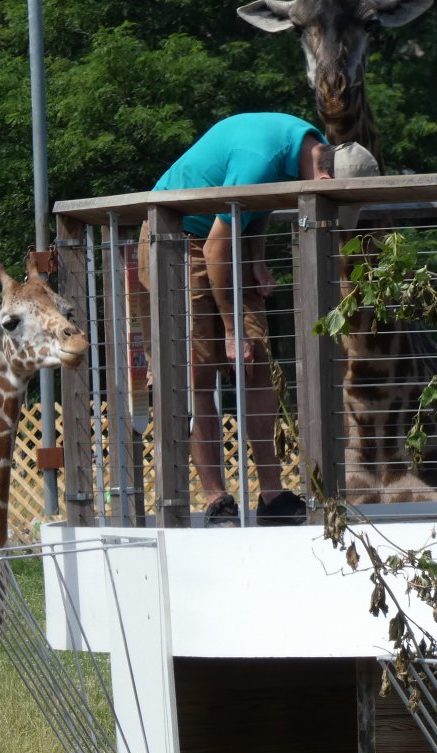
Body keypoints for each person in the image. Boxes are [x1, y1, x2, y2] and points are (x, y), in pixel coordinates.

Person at [134, 112, 379, 526]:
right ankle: (216, 499)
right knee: (201, 373)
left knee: (257, 364)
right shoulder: (260, 158)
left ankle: (272, 495)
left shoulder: (310, 145)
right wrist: (231, 329)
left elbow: (258, 204)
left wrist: (257, 257)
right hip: (179, 240)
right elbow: (214, 247)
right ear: (323, 182)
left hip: (228, 239)